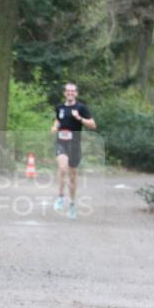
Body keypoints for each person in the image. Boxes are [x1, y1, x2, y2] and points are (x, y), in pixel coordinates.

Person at [51, 82, 96, 219]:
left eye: (72, 91)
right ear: (65, 93)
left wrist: (80, 118)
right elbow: (58, 121)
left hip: (75, 145)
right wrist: (54, 128)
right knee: (62, 167)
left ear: (76, 93)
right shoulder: (60, 107)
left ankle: (71, 204)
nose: (70, 93)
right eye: (68, 91)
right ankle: (60, 197)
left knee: (72, 176)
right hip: (61, 143)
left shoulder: (81, 108)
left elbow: (93, 125)